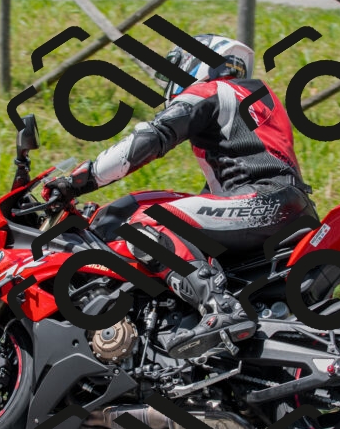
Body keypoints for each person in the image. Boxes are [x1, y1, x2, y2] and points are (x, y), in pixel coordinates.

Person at [43, 34, 318, 359]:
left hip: (263, 203)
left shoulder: (212, 90)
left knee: (146, 224)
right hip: (288, 204)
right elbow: (235, 177)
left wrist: (81, 179)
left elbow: (150, 138)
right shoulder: (257, 99)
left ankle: (220, 309)